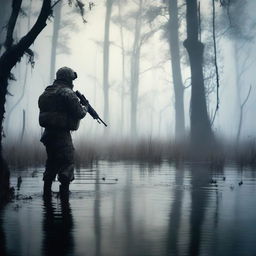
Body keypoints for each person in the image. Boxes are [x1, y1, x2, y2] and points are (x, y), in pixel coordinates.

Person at [38, 67, 88, 197]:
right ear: (67, 78)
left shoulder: (48, 92)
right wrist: (86, 108)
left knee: (52, 163)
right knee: (67, 163)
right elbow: (79, 113)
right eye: (72, 79)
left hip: (48, 135)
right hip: (61, 135)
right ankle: (64, 196)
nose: (73, 82)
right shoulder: (67, 93)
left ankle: (46, 194)